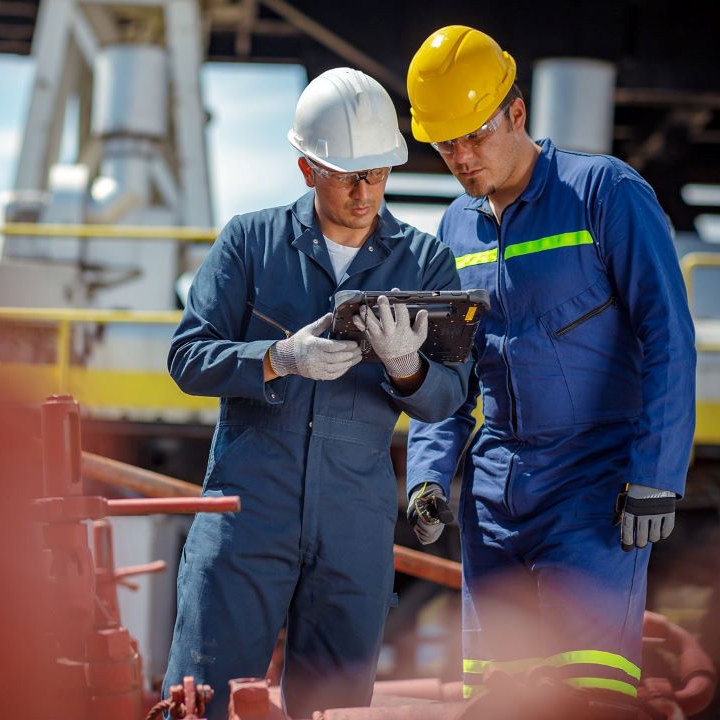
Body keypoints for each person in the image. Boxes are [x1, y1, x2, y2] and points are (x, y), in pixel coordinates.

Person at [163, 67, 473, 719]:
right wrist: (277, 358)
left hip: (353, 525)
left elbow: (447, 402)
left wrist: (407, 368)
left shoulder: (424, 263)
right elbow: (187, 357)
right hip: (246, 515)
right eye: (348, 175)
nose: (367, 192)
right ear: (308, 170)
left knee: (333, 711)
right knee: (205, 703)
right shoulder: (250, 243)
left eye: (379, 173)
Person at [403, 26, 696, 709]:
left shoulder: (606, 195)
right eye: (446, 143)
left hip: (593, 493)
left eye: (475, 135)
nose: (463, 157)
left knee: (585, 699)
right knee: (494, 703)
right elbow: (451, 368)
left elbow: (669, 338)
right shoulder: (455, 229)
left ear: (518, 112)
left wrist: (656, 475)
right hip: (494, 499)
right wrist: (427, 473)